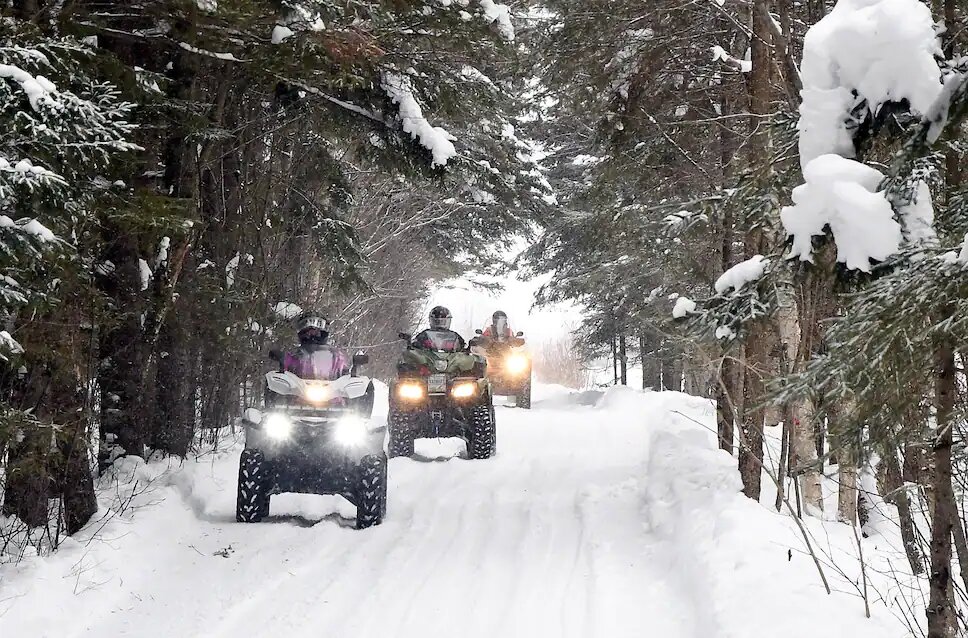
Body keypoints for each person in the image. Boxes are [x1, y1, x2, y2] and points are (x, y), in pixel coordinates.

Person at [281, 311, 351, 380]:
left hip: (330, 388)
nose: (311, 334)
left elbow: (344, 372)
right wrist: (281, 365)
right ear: (302, 332)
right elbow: (285, 369)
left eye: (316, 331)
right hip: (298, 388)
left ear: (323, 332)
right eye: (308, 331)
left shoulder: (335, 355)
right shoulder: (294, 355)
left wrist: (346, 378)